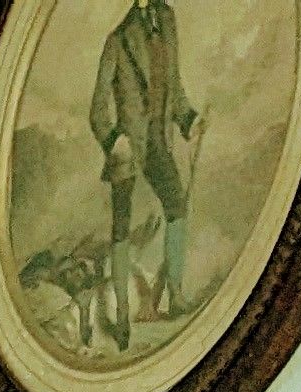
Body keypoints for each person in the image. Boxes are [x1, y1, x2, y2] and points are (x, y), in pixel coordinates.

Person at [88, 0, 201, 326]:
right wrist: (113, 140)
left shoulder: (167, 19)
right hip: (127, 147)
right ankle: (122, 313)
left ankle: (176, 296)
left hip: (157, 140)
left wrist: (188, 118)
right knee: (121, 228)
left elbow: (173, 84)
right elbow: (97, 109)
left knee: (177, 207)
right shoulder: (118, 39)